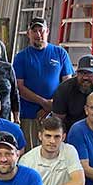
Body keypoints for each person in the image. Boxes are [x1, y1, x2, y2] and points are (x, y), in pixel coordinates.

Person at [13, 17, 74, 149]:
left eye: (41, 30)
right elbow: (20, 88)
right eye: (34, 31)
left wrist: (51, 105)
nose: (38, 34)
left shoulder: (60, 53)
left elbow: (67, 85)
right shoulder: (21, 57)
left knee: (55, 151)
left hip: (56, 114)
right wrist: (44, 103)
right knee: (31, 152)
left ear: (47, 32)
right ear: (28, 34)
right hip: (30, 115)